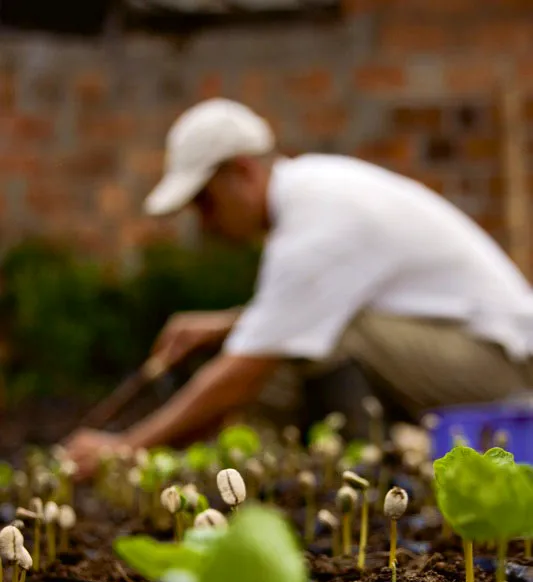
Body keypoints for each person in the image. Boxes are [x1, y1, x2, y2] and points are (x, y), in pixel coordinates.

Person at [65, 98, 533, 478]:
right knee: (294, 341)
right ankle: (280, 471)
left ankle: (357, 474)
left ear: (243, 173)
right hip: (470, 352)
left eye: (205, 201)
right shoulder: (315, 187)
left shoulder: (315, 226)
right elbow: (302, 314)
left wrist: (124, 448)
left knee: (320, 341)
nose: (204, 223)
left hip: (507, 370)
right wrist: (231, 326)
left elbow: (243, 371)